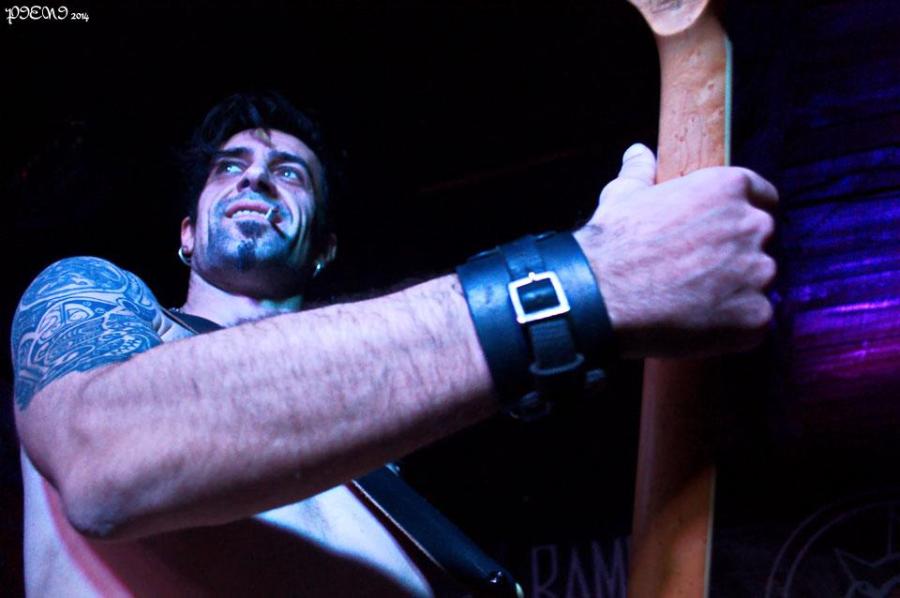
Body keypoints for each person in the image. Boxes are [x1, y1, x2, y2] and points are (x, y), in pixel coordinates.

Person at [11, 91, 777, 596]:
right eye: (230, 169)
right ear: (186, 234)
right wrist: (585, 282)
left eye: (288, 173)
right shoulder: (94, 298)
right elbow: (106, 454)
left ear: (323, 250)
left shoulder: (380, 463)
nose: (256, 181)